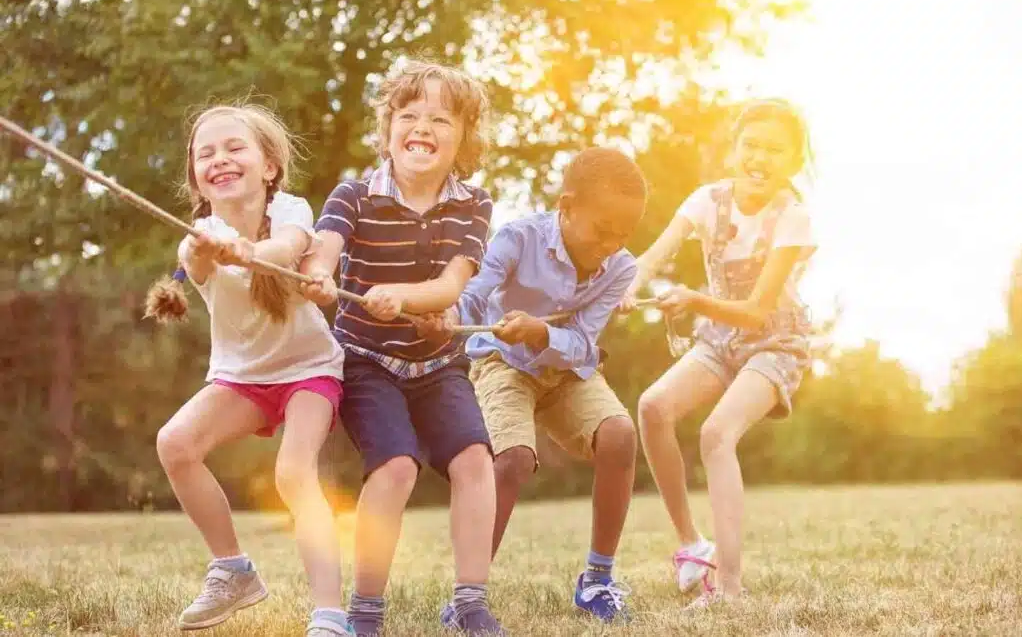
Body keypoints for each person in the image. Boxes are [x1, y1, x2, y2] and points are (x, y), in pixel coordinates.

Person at [299, 60, 503, 637]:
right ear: (388, 128)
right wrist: (316, 272)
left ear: (464, 136)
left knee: (474, 462)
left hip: (438, 365)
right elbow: (326, 245)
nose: (423, 127)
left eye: (441, 118)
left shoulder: (474, 205)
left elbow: (449, 285)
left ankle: (470, 602)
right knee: (394, 468)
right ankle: (366, 612)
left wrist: (404, 296)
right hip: (366, 361)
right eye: (409, 115)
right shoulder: (355, 193)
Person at [145, 103, 350, 635]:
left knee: (292, 474)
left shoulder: (293, 211)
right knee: (175, 443)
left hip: (309, 369)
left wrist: (250, 249)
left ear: (269, 167)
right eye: (205, 153)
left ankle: (330, 615)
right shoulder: (196, 236)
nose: (220, 159)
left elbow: (285, 249)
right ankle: (233, 570)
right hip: (243, 378)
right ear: (196, 176)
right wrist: (215, 250)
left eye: (235, 147)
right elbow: (197, 261)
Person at [419, 147, 648, 623]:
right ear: (566, 207)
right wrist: (448, 317)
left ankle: (598, 580)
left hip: (567, 371)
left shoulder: (621, 268)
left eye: (622, 235)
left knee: (621, 435)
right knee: (512, 459)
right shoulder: (517, 238)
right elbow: (475, 293)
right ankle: (468, 596)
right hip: (503, 363)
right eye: (601, 231)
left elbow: (585, 344)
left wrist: (543, 333)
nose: (609, 244)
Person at [623, 99, 817, 607]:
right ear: (733, 150)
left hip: (776, 342)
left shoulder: (793, 218)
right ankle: (692, 545)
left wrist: (691, 299)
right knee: (652, 407)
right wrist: (629, 286)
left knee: (716, 434)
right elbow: (652, 255)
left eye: (775, 150)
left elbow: (756, 312)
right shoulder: (707, 200)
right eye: (750, 144)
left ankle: (729, 588)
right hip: (720, 341)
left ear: (794, 161)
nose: (759, 157)